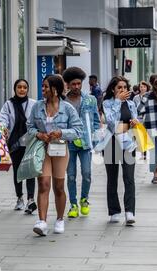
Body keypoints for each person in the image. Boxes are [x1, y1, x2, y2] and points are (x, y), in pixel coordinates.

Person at [27, 75, 83, 236]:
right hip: (42, 149)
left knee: (59, 187)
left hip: (60, 150)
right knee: (44, 184)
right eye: (42, 86)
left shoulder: (67, 108)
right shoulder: (37, 107)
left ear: (55, 89)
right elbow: (29, 126)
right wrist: (39, 134)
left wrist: (61, 133)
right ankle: (42, 221)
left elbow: (78, 131)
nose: (43, 90)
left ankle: (59, 219)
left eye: (45, 87)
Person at [63, 67, 100, 218]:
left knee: (87, 174)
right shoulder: (63, 101)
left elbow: (96, 121)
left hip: (85, 143)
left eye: (79, 83)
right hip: (68, 143)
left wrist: (95, 139)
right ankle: (73, 204)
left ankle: (84, 199)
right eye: (73, 84)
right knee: (70, 175)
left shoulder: (90, 99)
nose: (77, 87)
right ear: (68, 85)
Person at [103, 76, 140, 225]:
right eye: (119, 87)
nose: (123, 90)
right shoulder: (107, 103)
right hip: (111, 143)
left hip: (128, 143)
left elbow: (134, 121)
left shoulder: (131, 104)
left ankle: (129, 211)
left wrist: (135, 122)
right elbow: (111, 123)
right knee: (112, 178)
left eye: (125, 87)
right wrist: (118, 101)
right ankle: (114, 211)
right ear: (113, 89)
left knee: (129, 177)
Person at [0, 79, 38, 214]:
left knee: (30, 171)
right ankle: (19, 197)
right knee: (17, 172)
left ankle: (31, 199)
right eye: (19, 87)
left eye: (24, 87)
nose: (22, 90)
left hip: (30, 142)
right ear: (15, 89)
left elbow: (38, 120)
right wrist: (3, 128)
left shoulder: (33, 104)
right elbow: (2, 120)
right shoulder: (8, 104)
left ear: (27, 89)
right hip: (15, 144)